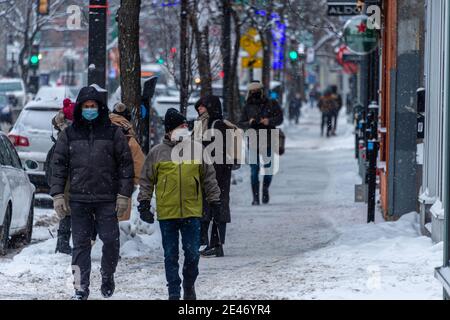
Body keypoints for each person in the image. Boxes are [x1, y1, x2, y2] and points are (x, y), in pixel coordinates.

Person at [50, 86, 134, 300]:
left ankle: (107, 274)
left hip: (106, 198)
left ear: (99, 108)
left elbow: (126, 165)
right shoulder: (69, 134)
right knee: (79, 246)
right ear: (80, 108)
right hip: (79, 199)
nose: (89, 109)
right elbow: (58, 165)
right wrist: (58, 195)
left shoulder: (113, 133)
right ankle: (80, 287)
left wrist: (124, 195)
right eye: (86, 106)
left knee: (111, 240)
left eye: (93, 106)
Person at [137, 108, 221, 300]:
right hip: (168, 214)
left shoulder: (197, 150)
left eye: (185, 126)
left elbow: (209, 177)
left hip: (192, 212)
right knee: (170, 255)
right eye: (180, 126)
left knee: (192, 254)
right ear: (169, 130)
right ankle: (174, 291)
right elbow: (147, 181)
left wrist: (215, 200)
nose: (184, 129)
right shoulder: (157, 153)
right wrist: (143, 203)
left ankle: (189, 285)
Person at [194, 96, 232, 258]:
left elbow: (217, 150)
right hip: (214, 170)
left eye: (202, 108)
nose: (199, 110)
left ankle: (214, 244)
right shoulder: (203, 124)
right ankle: (211, 244)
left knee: (213, 205)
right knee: (213, 205)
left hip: (216, 171)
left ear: (210, 108)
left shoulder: (218, 125)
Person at [239, 81, 284, 205]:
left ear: (262, 91)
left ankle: (265, 189)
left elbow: (280, 118)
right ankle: (255, 197)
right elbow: (241, 122)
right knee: (254, 170)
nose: (254, 93)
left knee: (269, 169)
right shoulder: (247, 106)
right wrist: (250, 122)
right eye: (252, 91)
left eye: (256, 91)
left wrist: (268, 121)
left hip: (268, 140)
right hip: (253, 140)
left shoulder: (272, 103)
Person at [109, 102, 145, 221]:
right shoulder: (130, 139)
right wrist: (132, 183)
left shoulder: (100, 131)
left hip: (98, 187)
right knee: (118, 227)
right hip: (122, 188)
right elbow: (140, 167)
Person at [51, 98, 75, 255]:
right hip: (67, 179)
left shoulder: (63, 131)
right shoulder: (65, 135)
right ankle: (63, 244)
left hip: (69, 179)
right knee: (67, 212)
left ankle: (63, 243)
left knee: (68, 212)